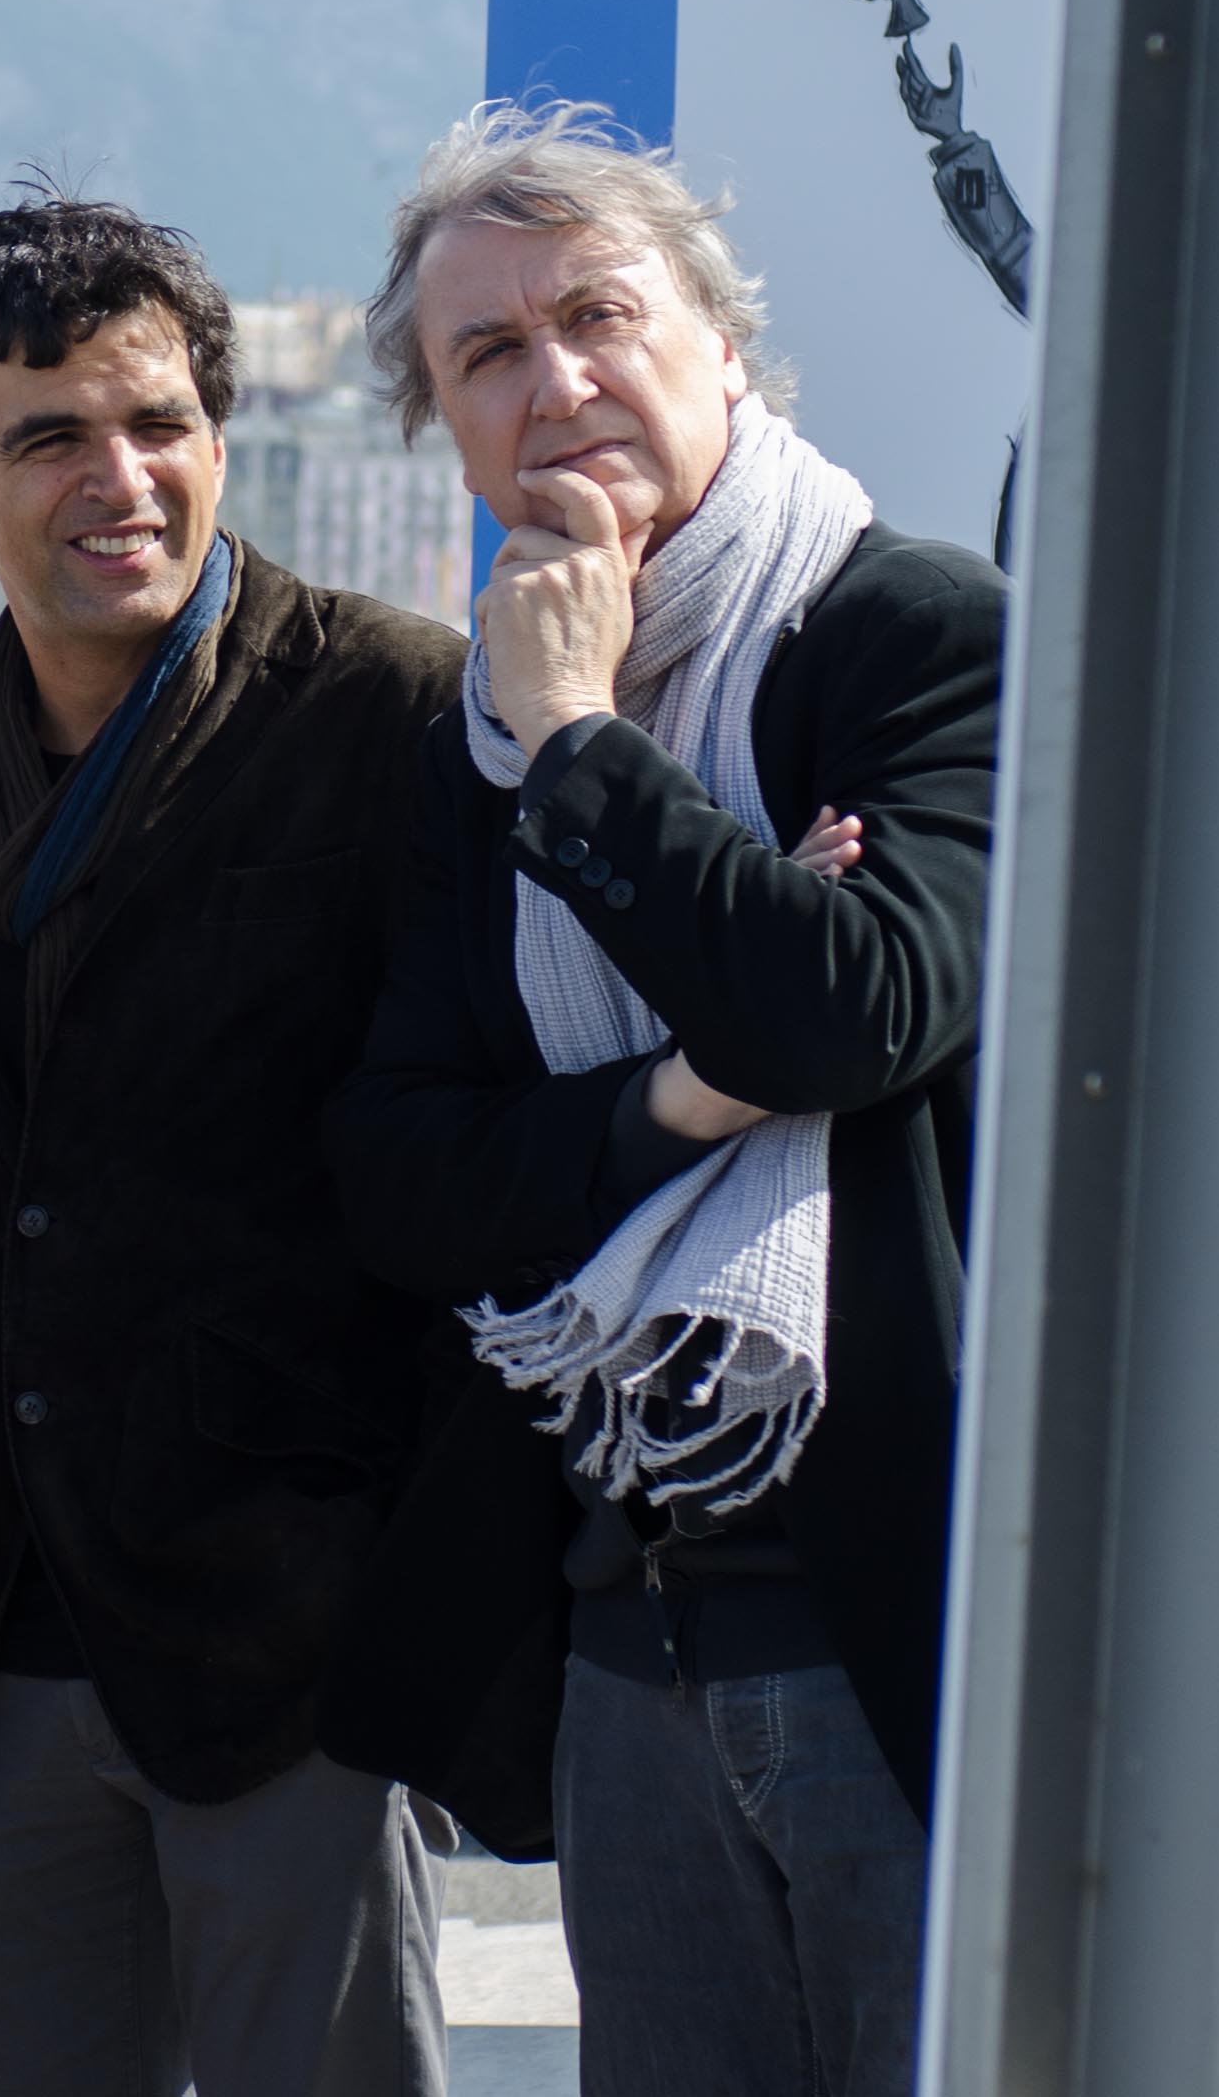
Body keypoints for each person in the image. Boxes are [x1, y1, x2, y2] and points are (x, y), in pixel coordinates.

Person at [319, 101, 1001, 2097]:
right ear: (445, 424)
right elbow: (402, 1177)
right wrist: (679, 1100)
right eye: (487, 355)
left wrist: (583, 744)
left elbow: (854, 1006)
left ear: (721, 344)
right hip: (628, 1640)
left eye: (597, 317)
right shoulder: (470, 736)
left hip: (906, 1642)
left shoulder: (908, 635)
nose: (553, 381)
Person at [0, 196, 467, 2097]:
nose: (123, 478)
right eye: (52, 438)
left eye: (160, 423)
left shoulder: (390, 708)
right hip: (2, 1616)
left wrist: (395, 1585)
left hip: (295, 1634)